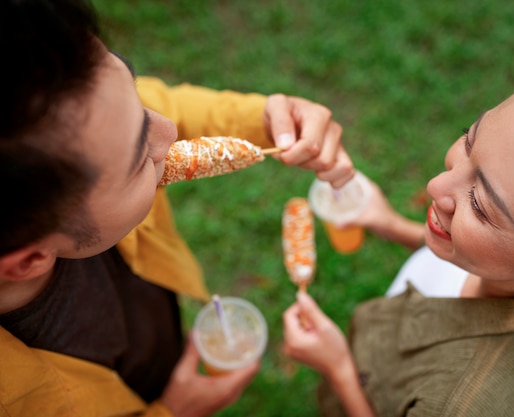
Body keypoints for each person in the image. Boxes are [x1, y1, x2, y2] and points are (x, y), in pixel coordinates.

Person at [0, 1, 355, 416]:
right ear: (29, 260)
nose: (168, 130)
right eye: (138, 160)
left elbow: (158, 111)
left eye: (135, 92)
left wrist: (261, 118)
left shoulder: (75, 118)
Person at [283, 43, 514, 417]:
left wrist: (341, 370)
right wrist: (393, 226)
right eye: (469, 138)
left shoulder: (465, 404)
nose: (435, 186)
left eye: (480, 205)